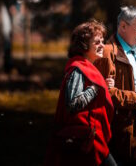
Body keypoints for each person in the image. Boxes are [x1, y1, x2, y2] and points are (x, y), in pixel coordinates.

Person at [94, 6, 136, 166]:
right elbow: (104, 92)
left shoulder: (134, 50)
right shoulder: (108, 52)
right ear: (123, 26)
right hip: (121, 131)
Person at [45, 20, 116, 166]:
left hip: (92, 138)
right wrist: (96, 88)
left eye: (102, 41)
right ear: (84, 46)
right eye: (97, 42)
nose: (102, 45)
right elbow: (73, 104)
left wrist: (103, 87)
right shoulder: (78, 68)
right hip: (85, 140)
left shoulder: (87, 67)